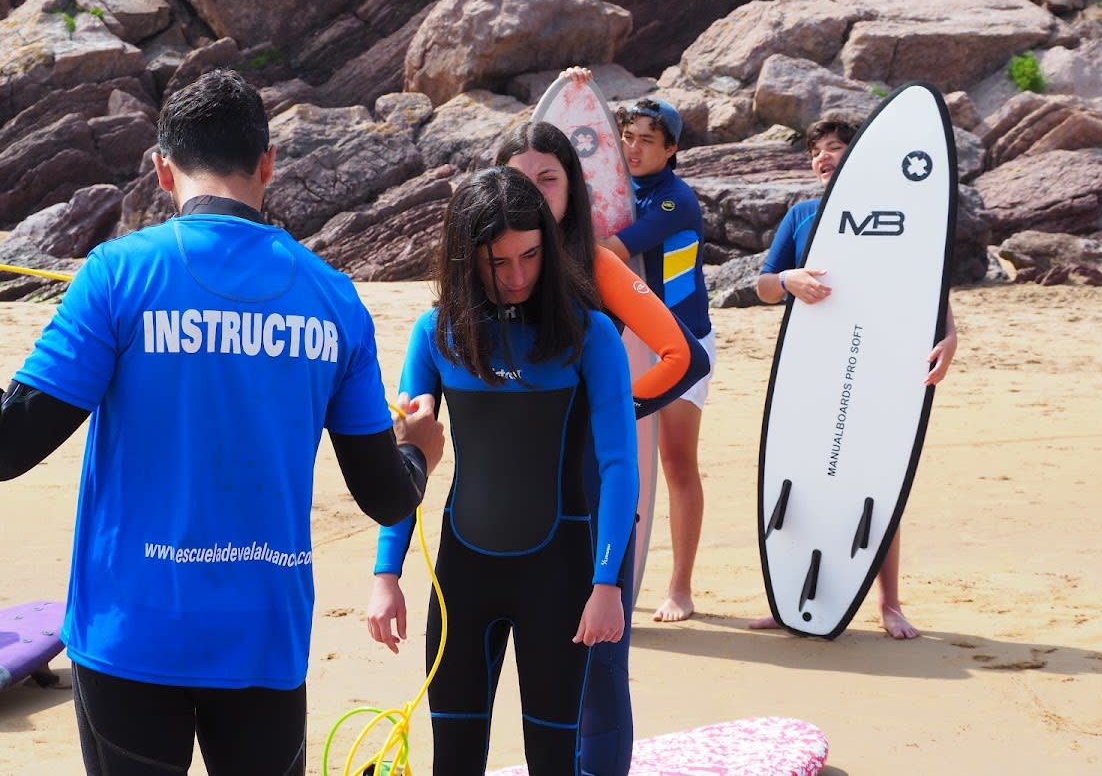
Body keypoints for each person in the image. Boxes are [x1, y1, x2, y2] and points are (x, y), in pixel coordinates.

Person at [0, 68, 443, 775]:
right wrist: (418, 449)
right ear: (269, 162)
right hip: (261, 639)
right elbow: (385, 496)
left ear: (161, 169)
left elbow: (11, 443)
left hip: (131, 634)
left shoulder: (118, 275)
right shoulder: (333, 298)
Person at [366, 167, 639, 775]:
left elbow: (620, 466)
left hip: (562, 578)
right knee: (454, 759)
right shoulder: (436, 334)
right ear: (467, 259)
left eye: (531, 256)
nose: (518, 277)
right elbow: (406, 461)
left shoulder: (589, 334)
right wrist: (387, 574)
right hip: (464, 576)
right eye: (498, 262)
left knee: (551, 759)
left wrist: (608, 585)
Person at [495, 119, 709, 776]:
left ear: (572, 190)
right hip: (507, 498)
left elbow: (683, 356)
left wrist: (608, 411)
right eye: (519, 178)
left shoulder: (594, 265)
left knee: (597, 666)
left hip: (589, 487)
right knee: (530, 666)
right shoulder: (482, 269)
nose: (533, 191)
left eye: (549, 178)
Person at [749, 116, 958, 638]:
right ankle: (785, 597)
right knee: (797, 478)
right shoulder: (800, 216)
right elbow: (762, 286)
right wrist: (788, 280)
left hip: (878, 364)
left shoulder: (898, 211)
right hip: (812, 369)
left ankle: (889, 603)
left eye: (837, 148)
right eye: (817, 151)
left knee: (875, 479)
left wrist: (949, 337)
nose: (825, 158)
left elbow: (926, 285)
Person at [562, 68, 715, 625]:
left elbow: (608, 249)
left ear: (672, 149)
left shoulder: (674, 200)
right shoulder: (621, 188)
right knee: (616, 456)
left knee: (675, 463)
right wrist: (579, 90)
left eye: (647, 140)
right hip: (634, 339)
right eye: (626, 137)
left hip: (684, 341)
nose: (633, 147)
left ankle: (679, 588)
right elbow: (573, 159)